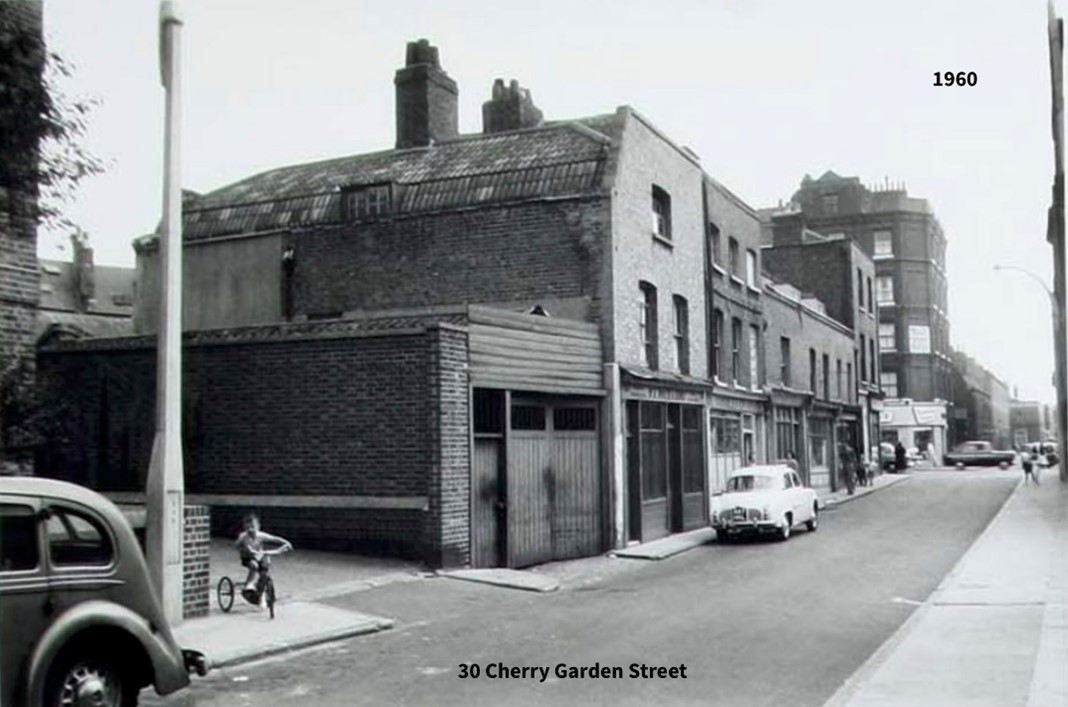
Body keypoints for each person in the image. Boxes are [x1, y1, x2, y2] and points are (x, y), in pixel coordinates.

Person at [235, 513, 292, 606]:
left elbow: (274, 539)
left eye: (253, 527)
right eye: (248, 527)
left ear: (258, 527)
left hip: (259, 555)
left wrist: (286, 543)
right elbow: (238, 545)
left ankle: (260, 593)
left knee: (265, 570)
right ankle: (249, 584)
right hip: (247, 557)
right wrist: (244, 549)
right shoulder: (243, 537)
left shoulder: (261, 536)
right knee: (254, 565)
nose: (250, 530)